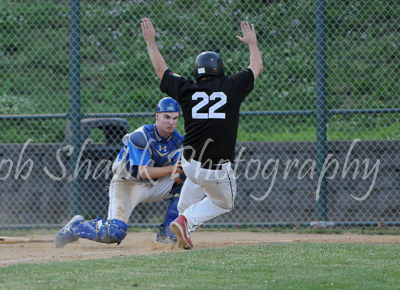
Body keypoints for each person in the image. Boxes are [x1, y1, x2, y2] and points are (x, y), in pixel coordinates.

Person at [141, 18, 264, 249]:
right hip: (214, 167)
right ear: (220, 69)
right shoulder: (232, 86)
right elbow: (256, 66)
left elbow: (161, 70)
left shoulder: (188, 89)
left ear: (198, 72)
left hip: (189, 163)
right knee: (223, 203)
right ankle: (186, 221)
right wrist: (252, 44)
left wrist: (151, 42)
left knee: (197, 180)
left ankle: (178, 219)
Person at [55, 97, 184, 247]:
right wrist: (171, 169)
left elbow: (178, 174)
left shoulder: (178, 141)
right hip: (127, 183)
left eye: (175, 118)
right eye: (166, 117)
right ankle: (76, 227)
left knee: (186, 182)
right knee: (114, 233)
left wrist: (182, 175)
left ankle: (168, 232)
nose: (171, 122)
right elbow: (143, 172)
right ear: (157, 116)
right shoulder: (141, 136)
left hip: (154, 184)